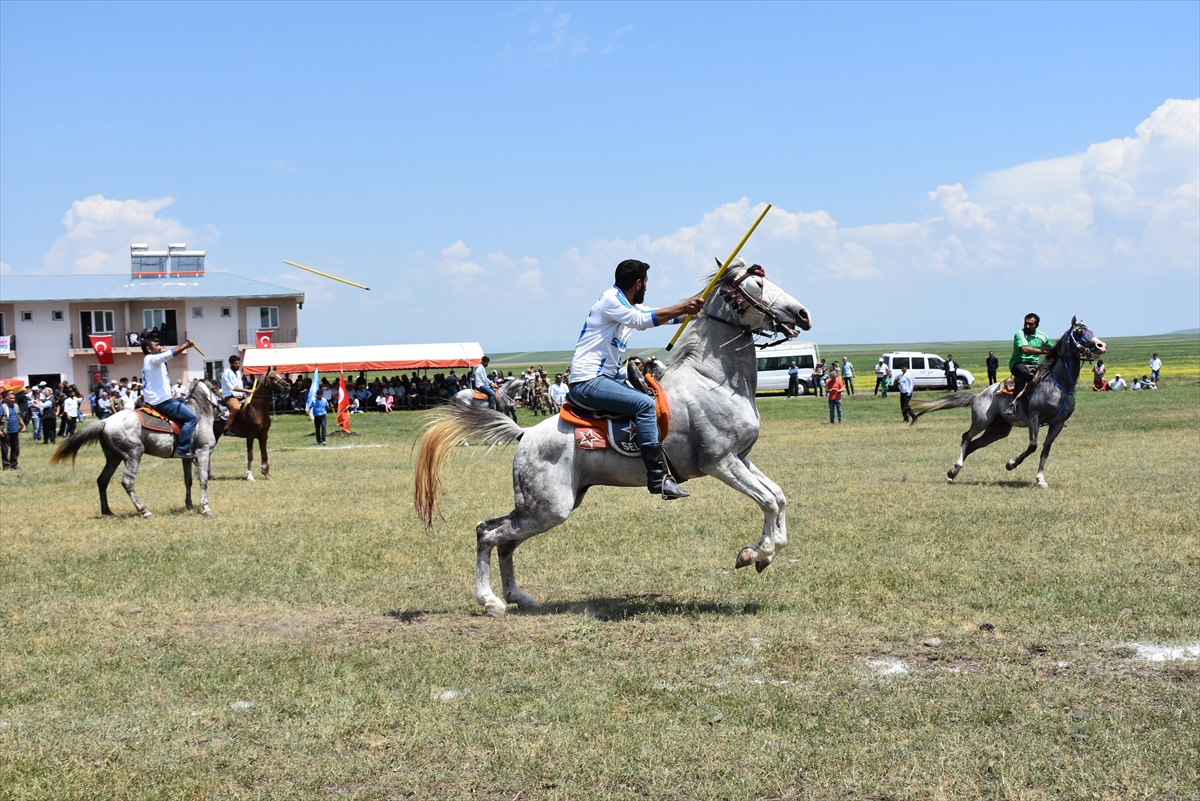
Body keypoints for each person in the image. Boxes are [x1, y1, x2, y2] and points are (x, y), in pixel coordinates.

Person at [567, 258, 704, 499]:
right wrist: (684, 307)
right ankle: (658, 478)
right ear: (639, 283)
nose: (647, 288)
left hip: (605, 377)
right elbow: (641, 321)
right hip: (588, 381)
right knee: (644, 404)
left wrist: (698, 308)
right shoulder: (612, 301)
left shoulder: (627, 304)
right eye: (647, 283)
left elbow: (664, 317)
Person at [141, 330, 199, 459]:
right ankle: (182, 449)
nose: (160, 347)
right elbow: (168, 355)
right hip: (161, 402)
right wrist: (185, 345)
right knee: (192, 418)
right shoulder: (151, 359)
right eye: (156, 345)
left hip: (161, 399)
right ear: (149, 349)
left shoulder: (154, 361)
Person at [1007, 313, 1054, 414]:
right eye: (1026, 323)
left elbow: (1052, 349)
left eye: (1030, 324)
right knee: (1024, 373)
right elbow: (1025, 349)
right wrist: (1044, 351)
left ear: (1037, 325)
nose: (1027, 326)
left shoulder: (1042, 336)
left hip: (1035, 364)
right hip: (1018, 363)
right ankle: (1014, 402)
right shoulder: (1019, 333)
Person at [220, 355, 251, 433]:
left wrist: (244, 393)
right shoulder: (227, 373)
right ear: (231, 363)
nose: (238, 365)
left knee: (251, 406)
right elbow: (233, 388)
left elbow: (239, 385)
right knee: (236, 408)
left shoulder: (238, 372)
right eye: (236, 363)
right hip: (230, 396)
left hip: (240, 395)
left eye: (239, 363)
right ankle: (226, 428)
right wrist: (248, 391)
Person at [1, 390, 26, 470]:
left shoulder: (16, 406)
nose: (13, 400)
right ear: (7, 399)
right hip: (5, 431)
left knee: (16, 449)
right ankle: (6, 465)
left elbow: (19, 417)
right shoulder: (2, 407)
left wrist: (23, 426)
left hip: (15, 431)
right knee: (5, 449)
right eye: (11, 398)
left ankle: (14, 464)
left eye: (14, 398)